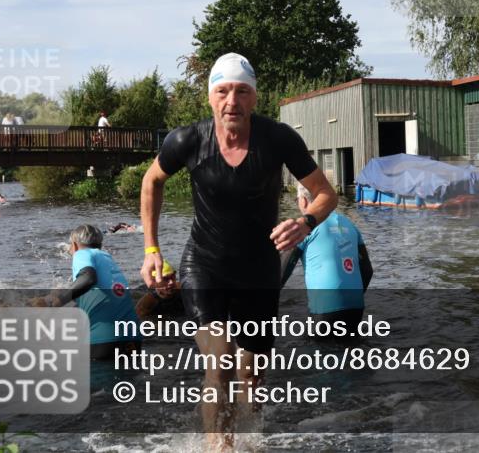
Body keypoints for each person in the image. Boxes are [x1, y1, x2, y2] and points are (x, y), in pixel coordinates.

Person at [139, 52, 337, 451]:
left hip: (259, 268)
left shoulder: (278, 139)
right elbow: (151, 181)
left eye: (242, 91)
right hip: (205, 264)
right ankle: (221, 447)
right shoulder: (188, 140)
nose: (232, 101)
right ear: (210, 97)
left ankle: (251, 439)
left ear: (254, 98)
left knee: (253, 375)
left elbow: (325, 193)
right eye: (223, 91)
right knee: (222, 358)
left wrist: (305, 223)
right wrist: (151, 249)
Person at [34, 224, 141, 360]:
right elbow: (98, 298)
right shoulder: (107, 259)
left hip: (104, 340)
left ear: (75, 244)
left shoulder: (82, 254)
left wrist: (59, 301)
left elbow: (88, 278)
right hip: (133, 339)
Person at [281, 185, 373, 332]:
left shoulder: (303, 229)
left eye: (296, 199)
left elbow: (281, 272)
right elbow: (367, 271)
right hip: (356, 308)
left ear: (303, 201)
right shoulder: (349, 224)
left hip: (325, 310)